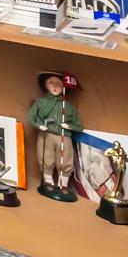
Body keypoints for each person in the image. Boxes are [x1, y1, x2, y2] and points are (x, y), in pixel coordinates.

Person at [26, 71, 83, 201]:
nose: (55, 86)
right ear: (46, 85)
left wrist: (69, 127)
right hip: (47, 134)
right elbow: (31, 117)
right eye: (51, 83)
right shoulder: (41, 102)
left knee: (65, 160)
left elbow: (79, 126)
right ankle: (48, 183)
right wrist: (40, 125)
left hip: (64, 136)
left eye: (58, 83)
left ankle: (63, 185)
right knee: (47, 158)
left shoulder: (68, 106)